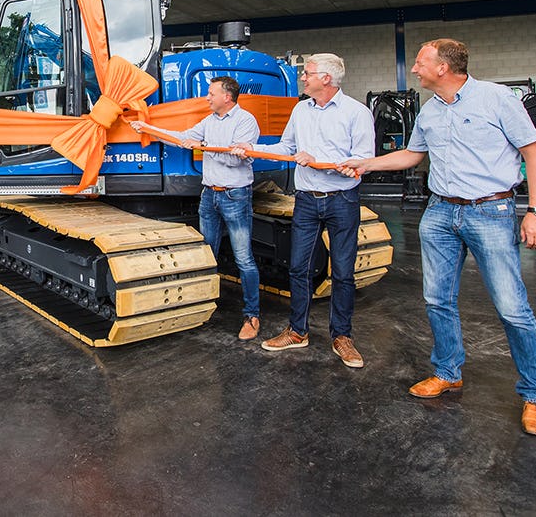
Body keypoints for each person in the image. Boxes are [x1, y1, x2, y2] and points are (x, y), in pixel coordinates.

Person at [341, 39, 536, 436]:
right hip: (440, 212)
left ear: (443, 67)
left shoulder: (497, 99)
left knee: (512, 308)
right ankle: (447, 371)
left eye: (420, 62)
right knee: (437, 299)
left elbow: (534, 153)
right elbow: (413, 154)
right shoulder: (430, 109)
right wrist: (366, 163)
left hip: (491, 211)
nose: (414, 69)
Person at [231, 54, 374, 367]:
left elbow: (363, 161)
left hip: (342, 200)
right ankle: (298, 331)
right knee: (298, 268)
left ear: (326, 78)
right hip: (307, 200)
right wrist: (253, 149)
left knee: (343, 272)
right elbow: (287, 148)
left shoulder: (356, 113)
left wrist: (321, 163)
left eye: (307, 73)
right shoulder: (300, 109)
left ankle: (342, 336)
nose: (303, 78)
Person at [130, 76, 262, 340]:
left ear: (227, 97)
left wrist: (203, 148)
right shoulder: (209, 121)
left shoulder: (246, 121)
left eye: (211, 93)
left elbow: (236, 160)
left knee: (243, 259)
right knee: (206, 254)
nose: (207, 97)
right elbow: (183, 138)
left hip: (235, 196)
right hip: (209, 195)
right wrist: (148, 129)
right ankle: (202, 306)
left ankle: (252, 315)